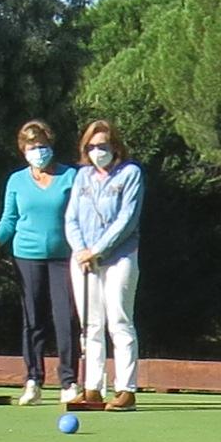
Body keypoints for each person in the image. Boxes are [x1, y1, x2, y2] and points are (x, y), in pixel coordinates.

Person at [0, 119, 77, 405]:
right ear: (23, 150)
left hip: (64, 256)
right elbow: (9, 219)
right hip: (27, 255)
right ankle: (33, 380)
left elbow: (82, 215)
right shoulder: (17, 181)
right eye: (32, 147)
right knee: (33, 320)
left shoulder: (70, 177)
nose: (38, 152)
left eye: (42, 146)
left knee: (65, 319)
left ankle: (69, 382)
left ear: (51, 145)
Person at [65, 120, 144, 409]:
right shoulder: (82, 176)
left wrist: (97, 250)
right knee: (90, 324)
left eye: (103, 146)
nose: (97, 151)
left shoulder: (130, 174)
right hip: (84, 260)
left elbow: (127, 219)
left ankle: (126, 389)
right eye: (92, 146)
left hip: (119, 257)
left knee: (119, 320)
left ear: (115, 147)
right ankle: (92, 387)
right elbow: (71, 217)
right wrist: (81, 250)